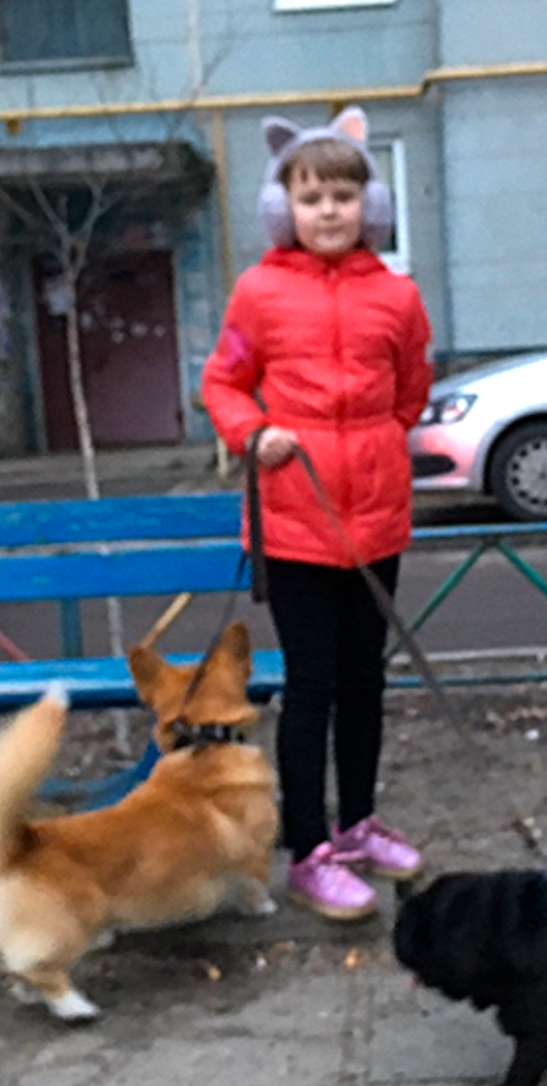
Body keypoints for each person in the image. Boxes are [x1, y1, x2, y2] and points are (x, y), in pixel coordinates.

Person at [201, 106, 433, 922]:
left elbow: (411, 389)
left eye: (343, 195)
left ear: (369, 205)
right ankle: (309, 851)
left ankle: (358, 822)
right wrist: (252, 433)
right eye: (311, 197)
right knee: (313, 687)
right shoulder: (259, 293)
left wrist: (377, 444)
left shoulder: (398, 296)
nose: (329, 211)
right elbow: (223, 381)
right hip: (295, 525)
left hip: (376, 523)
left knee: (365, 680)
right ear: (285, 207)